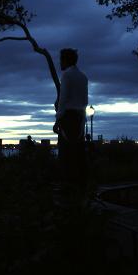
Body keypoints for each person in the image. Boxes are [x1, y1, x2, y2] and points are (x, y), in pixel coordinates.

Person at [53, 48, 88, 201]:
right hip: (80, 117)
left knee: (65, 153)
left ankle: (66, 187)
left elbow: (63, 99)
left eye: (61, 60)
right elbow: (85, 101)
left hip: (68, 118)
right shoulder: (83, 76)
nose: (59, 63)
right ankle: (78, 186)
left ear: (65, 60)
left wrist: (58, 119)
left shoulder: (67, 75)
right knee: (77, 153)